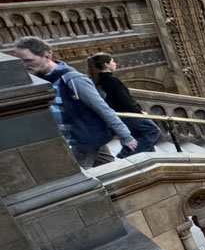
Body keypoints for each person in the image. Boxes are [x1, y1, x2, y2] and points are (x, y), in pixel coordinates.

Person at [13, 37, 138, 168]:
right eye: (19, 61)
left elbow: (102, 108)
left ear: (47, 56)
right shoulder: (37, 80)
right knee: (112, 171)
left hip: (82, 141)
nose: (23, 65)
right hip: (82, 139)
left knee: (84, 180)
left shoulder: (74, 79)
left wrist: (126, 136)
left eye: (28, 60)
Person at [86, 53, 161, 157]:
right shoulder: (111, 81)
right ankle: (126, 155)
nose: (115, 63)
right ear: (106, 64)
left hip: (121, 114)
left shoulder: (100, 80)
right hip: (127, 114)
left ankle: (146, 158)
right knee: (153, 131)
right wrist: (139, 112)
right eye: (112, 61)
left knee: (138, 136)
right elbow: (124, 100)